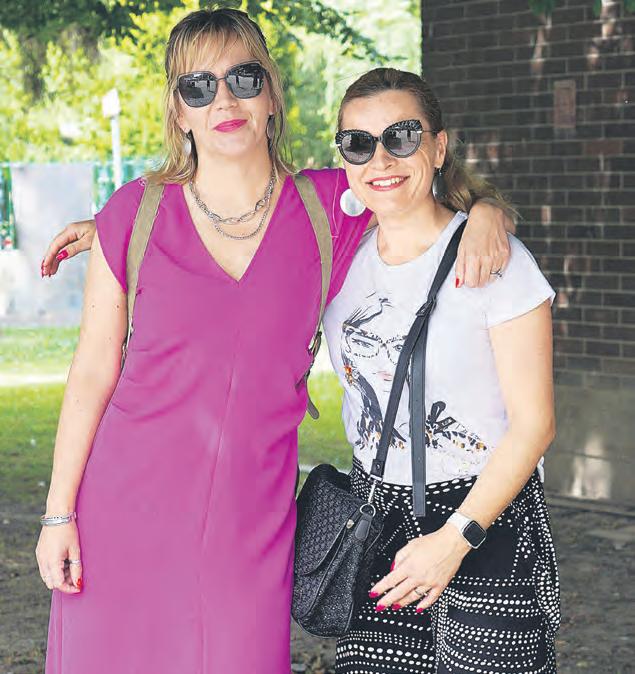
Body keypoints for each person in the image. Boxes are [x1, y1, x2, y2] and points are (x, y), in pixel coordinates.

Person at [36, 9, 515, 674]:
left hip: (250, 526)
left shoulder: (330, 209)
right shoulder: (133, 214)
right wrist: (58, 515)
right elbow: (92, 370)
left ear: (271, 94)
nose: (223, 100)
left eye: (242, 78)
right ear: (178, 111)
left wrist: (486, 212)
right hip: (122, 512)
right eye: (197, 86)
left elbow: (419, 196)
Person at [322, 67, 560, 674]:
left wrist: (455, 540)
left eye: (401, 137)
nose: (381, 159)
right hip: (376, 517)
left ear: (438, 147)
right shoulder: (338, 259)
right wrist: (115, 229)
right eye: (358, 143)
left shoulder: (497, 262)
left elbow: (534, 426)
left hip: (484, 518)